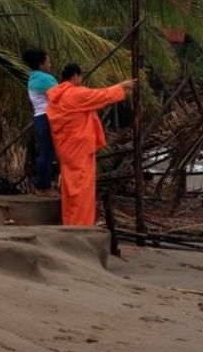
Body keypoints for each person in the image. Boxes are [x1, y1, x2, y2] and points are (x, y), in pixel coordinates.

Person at [46, 64, 135, 225]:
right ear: (75, 76)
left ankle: (70, 221)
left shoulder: (55, 98)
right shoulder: (75, 94)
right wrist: (122, 86)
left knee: (70, 190)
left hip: (65, 150)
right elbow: (101, 95)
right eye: (80, 77)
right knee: (82, 190)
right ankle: (81, 224)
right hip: (79, 150)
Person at [23, 49, 58, 193]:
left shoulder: (33, 78)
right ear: (41, 64)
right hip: (47, 117)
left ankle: (45, 184)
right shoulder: (44, 79)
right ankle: (44, 185)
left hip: (39, 118)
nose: (50, 64)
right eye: (48, 62)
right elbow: (62, 96)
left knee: (46, 152)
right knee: (47, 153)